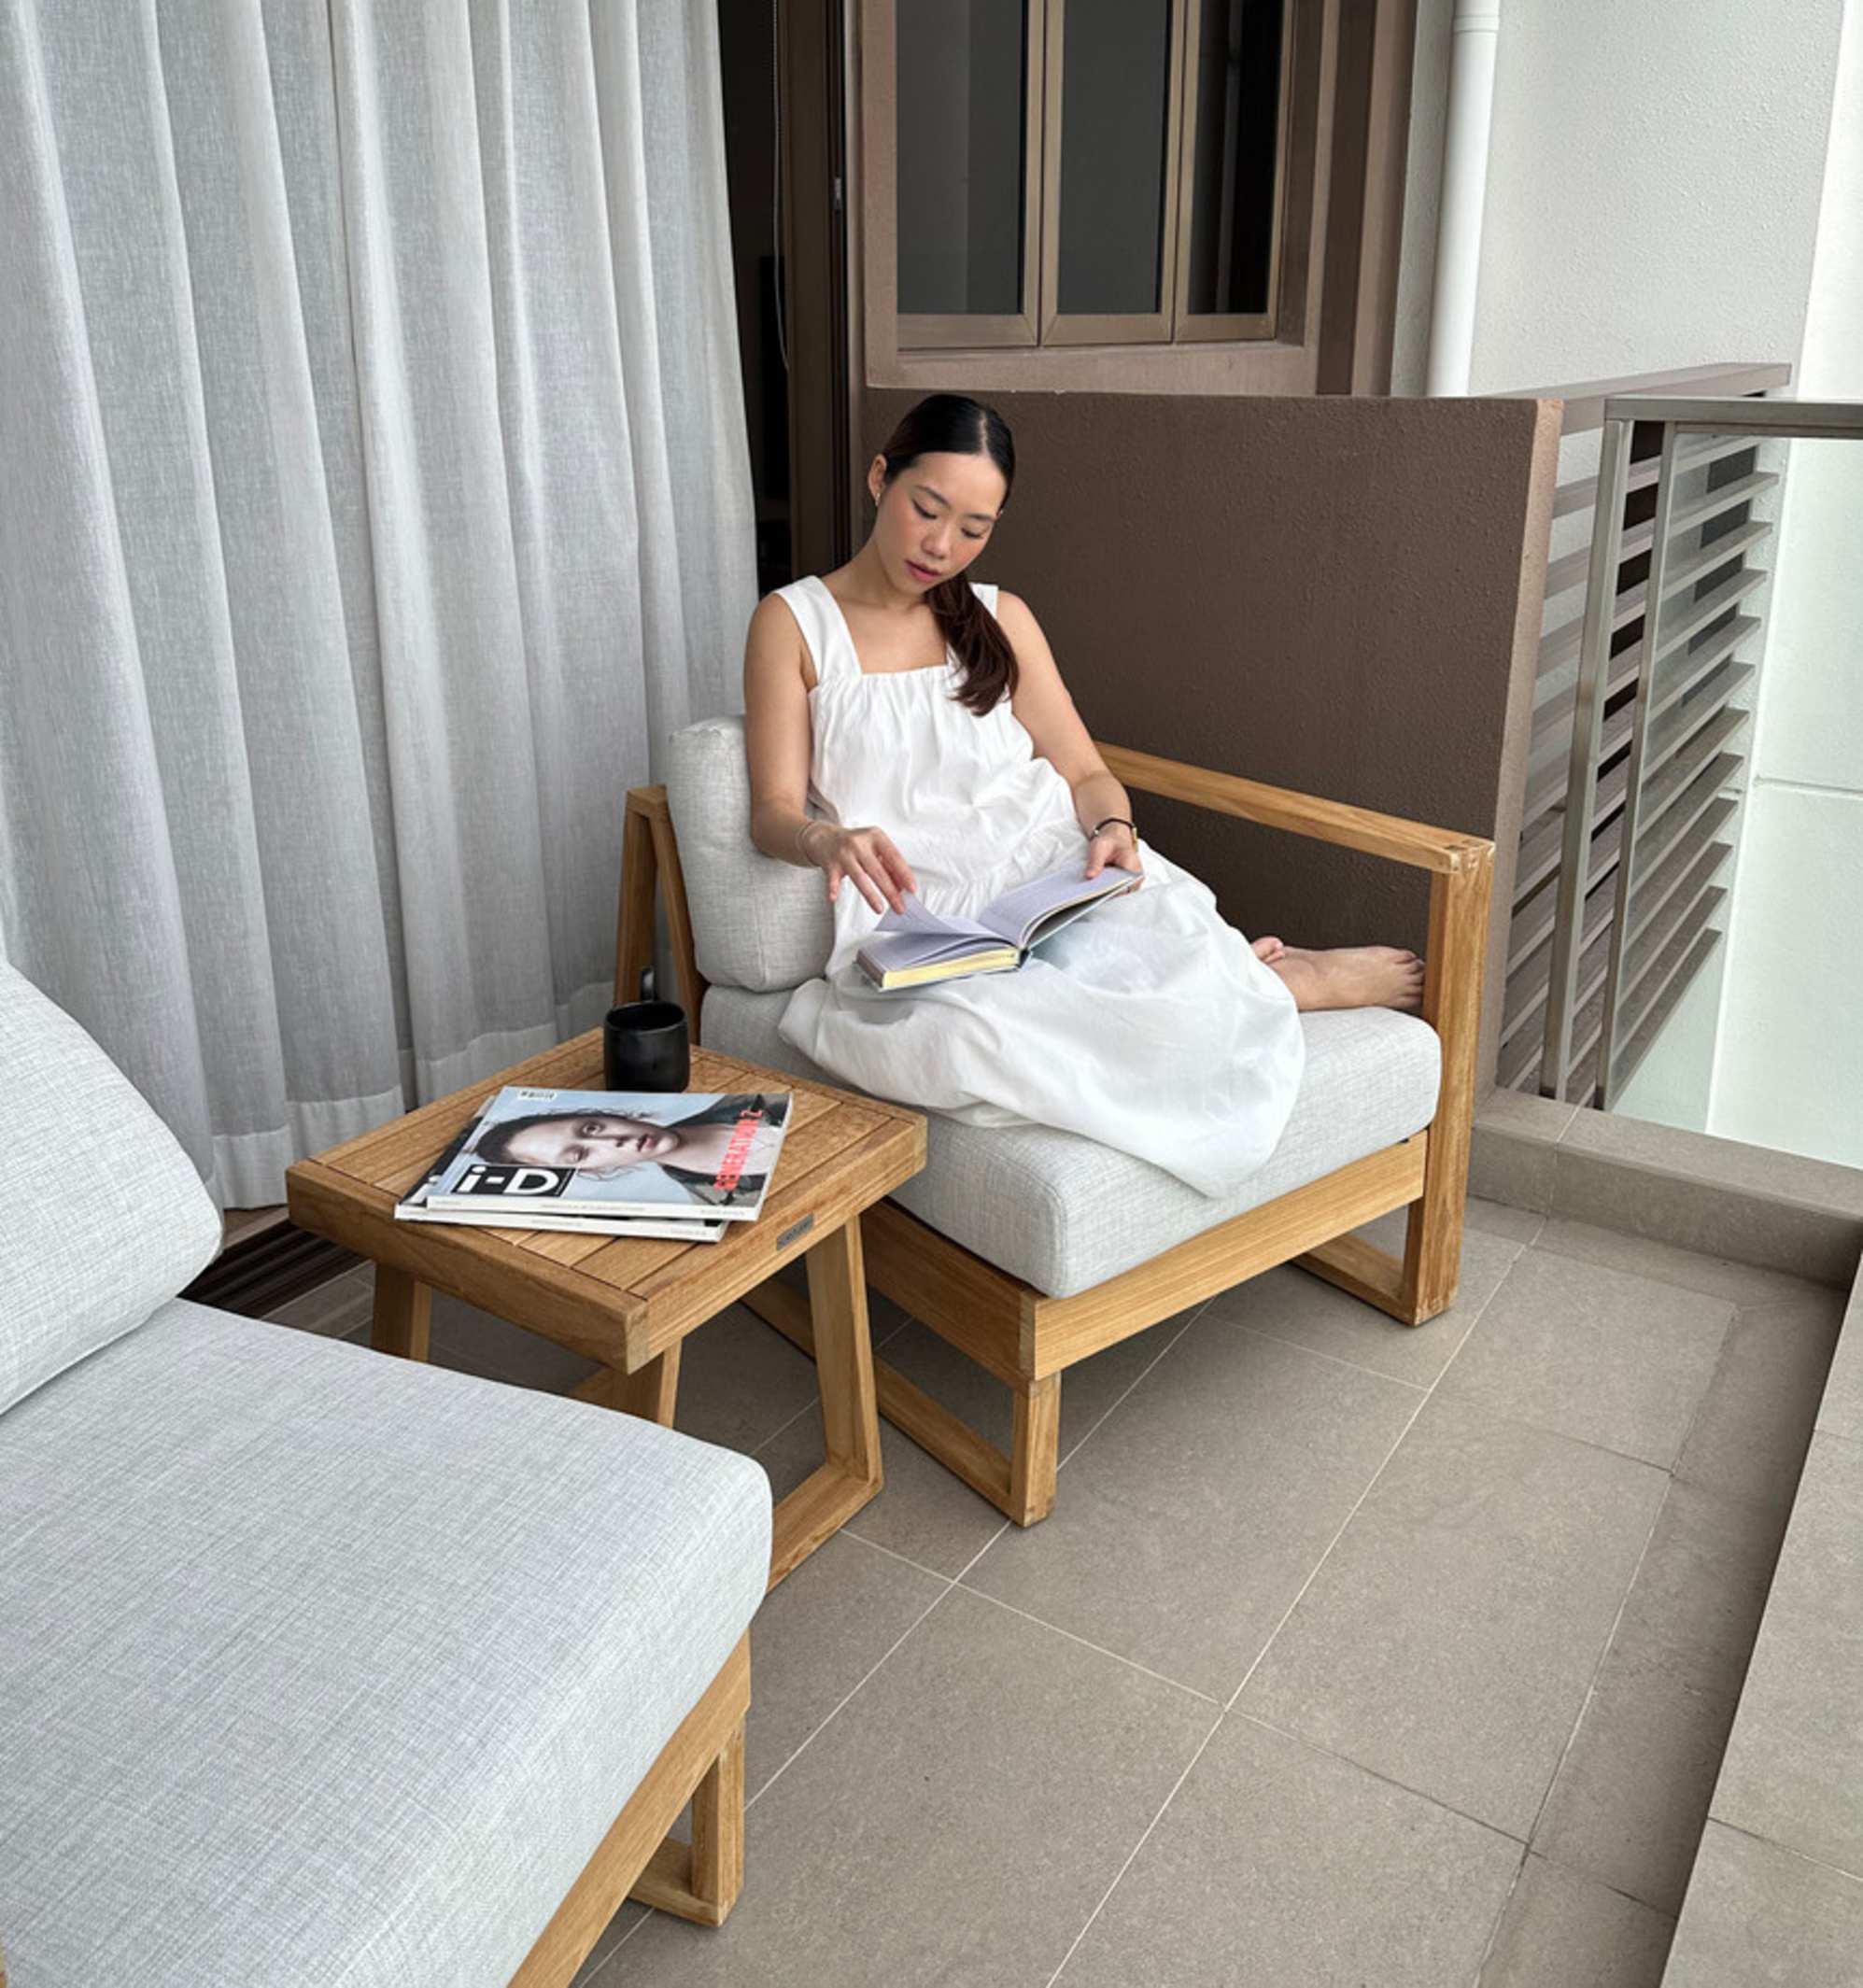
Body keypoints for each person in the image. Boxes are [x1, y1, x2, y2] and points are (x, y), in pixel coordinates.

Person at [740, 393, 1423, 1199]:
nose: (940, 545)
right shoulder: (793, 622)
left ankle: (1260, 977)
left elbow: (1084, 770)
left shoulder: (1001, 618)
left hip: (1048, 874)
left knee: (1149, 960)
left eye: (973, 527)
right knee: (970, 1042)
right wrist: (827, 840)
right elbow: (773, 811)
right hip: (921, 914)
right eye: (927, 510)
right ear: (879, 477)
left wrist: (1111, 826)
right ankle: (1263, 981)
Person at [471, 1093, 790, 1207]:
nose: (613, 1142)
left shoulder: (753, 1100)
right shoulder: (711, 1202)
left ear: (609, 1113)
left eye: (591, 1128)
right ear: (590, 1171)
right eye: (580, 1155)